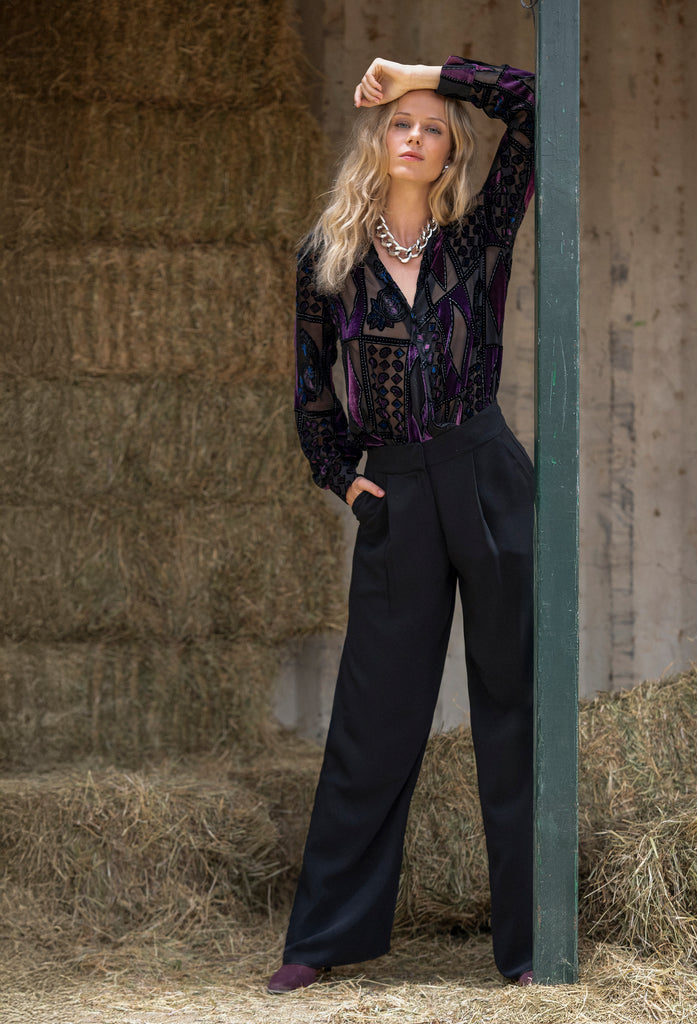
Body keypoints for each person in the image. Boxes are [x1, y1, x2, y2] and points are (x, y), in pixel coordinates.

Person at [267, 55, 536, 994]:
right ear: (377, 140)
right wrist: (344, 481)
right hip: (396, 493)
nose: (414, 137)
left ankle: (529, 946)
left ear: (452, 148)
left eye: (432, 126)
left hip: (488, 477)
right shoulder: (327, 259)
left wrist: (423, 73)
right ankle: (320, 938)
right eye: (400, 123)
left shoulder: (480, 233)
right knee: (373, 718)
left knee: (513, 707)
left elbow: (533, 106)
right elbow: (311, 394)